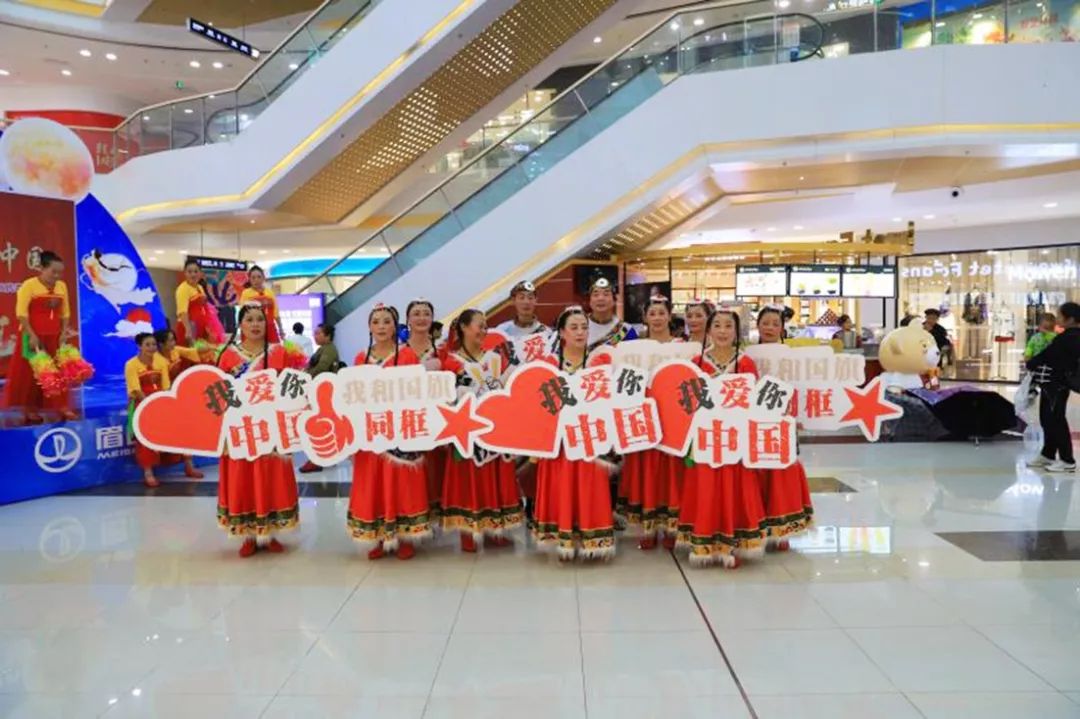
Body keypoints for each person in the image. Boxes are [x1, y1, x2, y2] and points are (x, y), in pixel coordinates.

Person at [679, 309, 767, 567]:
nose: (722, 331)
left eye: (728, 326)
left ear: (735, 332)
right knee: (706, 487)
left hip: (735, 437)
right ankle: (705, 543)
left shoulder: (746, 363)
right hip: (705, 437)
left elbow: (754, 401)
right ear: (708, 331)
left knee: (735, 486)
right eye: (717, 325)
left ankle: (735, 544)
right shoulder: (696, 362)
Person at [215, 304, 300, 557]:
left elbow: (289, 388)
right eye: (249, 320)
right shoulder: (227, 355)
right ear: (240, 325)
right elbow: (218, 392)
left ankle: (270, 531)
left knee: (269, 476)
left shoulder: (279, 353)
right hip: (239, 428)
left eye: (260, 320)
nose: (255, 324)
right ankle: (248, 534)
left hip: (271, 427)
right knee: (243, 478)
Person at [532, 306, 615, 561]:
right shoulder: (548, 364)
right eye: (574, 327)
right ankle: (563, 539)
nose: (580, 332)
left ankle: (593, 539)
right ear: (562, 332)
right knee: (562, 485)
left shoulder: (601, 361)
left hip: (591, 436)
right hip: (560, 440)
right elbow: (539, 405)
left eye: (584, 327)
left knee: (591, 485)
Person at [348, 304, 429, 560]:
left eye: (386, 321)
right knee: (373, 483)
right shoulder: (360, 358)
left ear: (395, 326)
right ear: (370, 327)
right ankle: (378, 536)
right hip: (370, 432)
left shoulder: (407, 356)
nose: (381, 326)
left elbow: (417, 393)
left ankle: (405, 536)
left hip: (400, 431)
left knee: (400, 483)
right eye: (376, 322)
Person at [441, 309, 522, 552]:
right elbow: (446, 399)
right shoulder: (451, 362)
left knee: (496, 478)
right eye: (479, 325)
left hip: (495, 429)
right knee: (469, 480)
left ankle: (494, 530)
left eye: (486, 326)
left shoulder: (496, 358)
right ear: (464, 327)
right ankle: (468, 531)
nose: (484, 331)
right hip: (466, 431)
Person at [617, 297, 683, 550]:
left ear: (669, 316)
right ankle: (647, 528)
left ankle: (670, 529)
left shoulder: (682, 347)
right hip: (643, 418)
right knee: (646, 473)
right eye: (652, 313)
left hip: (672, 419)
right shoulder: (633, 349)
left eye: (661, 313)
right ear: (645, 317)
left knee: (670, 475)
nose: (656, 318)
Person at [755, 306, 813, 549]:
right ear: (757, 326)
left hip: (784, 421)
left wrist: (800, 416)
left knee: (783, 473)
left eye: (774, 323)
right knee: (756, 475)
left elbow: (802, 387)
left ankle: (783, 528)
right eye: (765, 323)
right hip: (754, 422)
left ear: (782, 328)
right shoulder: (746, 354)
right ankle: (757, 526)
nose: (769, 328)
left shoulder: (792, 357)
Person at [3, 251, 77, 423]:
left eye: (60, 272)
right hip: (32, 335)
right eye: (53, 272)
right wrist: (32, 336)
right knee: (32, 375)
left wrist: (64, 333)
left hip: (55, 336)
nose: (57, 276)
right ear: (42, 268)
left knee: (57, 372)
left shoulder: (61, 286)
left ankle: (62, 407)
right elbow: (21, 313)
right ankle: (30, 409)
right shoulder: (29, 285)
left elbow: (65, 312)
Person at [404, 299, 446, 518]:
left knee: (435, 468)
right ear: (408, 320)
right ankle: (413, 515)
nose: (421, 318)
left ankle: (434, 515)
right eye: (416, 314)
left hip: (438, 419)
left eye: (426, 314)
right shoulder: (398, 352)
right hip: (409, 421)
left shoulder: (443, 350)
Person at [1026, 302, 1079, 473]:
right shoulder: (1066, 336)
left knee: (1056, 419)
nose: (1057, 319)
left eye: (1060, 316)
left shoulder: (1070, 337)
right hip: (1051, 384)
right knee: (1047, 418)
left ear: (1070, 319)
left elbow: (1048, 355)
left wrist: (1032, 363)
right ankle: (1048, 453)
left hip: (1058, 384)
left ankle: (1067, 459)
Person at [297, 323, 341, 475]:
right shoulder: (324, 349)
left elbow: (321, 368)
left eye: (318, 333)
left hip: (323, 392)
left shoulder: (328, 350)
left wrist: (305, 376)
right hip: (320, 391)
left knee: (318, 425)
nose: (315, 336)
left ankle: (316, 458)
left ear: (327, 335)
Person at [175, 259, 225, 346]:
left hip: (200, 326)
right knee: (191, 355)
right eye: (189, 272)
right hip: (188, 326)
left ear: (200, 273)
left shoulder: (199, 287)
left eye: (196, 271)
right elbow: (182, 312)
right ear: (185, 273)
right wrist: (188, 330)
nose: (193, 274)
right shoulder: (183, 289)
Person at [586, 277, 637, 353]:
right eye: (596, 295)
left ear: (614, 301)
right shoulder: (578, 327)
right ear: (590, 301)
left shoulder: (625, 330)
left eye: (606, 294)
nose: (600, 298)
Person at [239, 265, 285, 343]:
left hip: (269, 327)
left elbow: (276, 313)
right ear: (249, 279)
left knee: (274, 351)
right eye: (253, 278)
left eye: (259, 277)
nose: (256, 280)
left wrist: (281, 329)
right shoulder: (246, 293)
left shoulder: (269, 292)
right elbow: (242, 314)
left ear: (263, 278)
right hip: (253, 329)